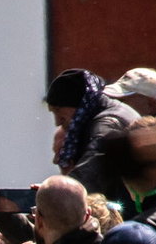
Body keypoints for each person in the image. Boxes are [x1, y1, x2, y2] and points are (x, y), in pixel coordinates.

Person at [44, 68, 140, 200]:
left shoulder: (108, 124)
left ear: (80, 104)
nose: (57, 121)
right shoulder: (106, 113)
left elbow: (94, 165)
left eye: (58, 110)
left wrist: (57, 193)